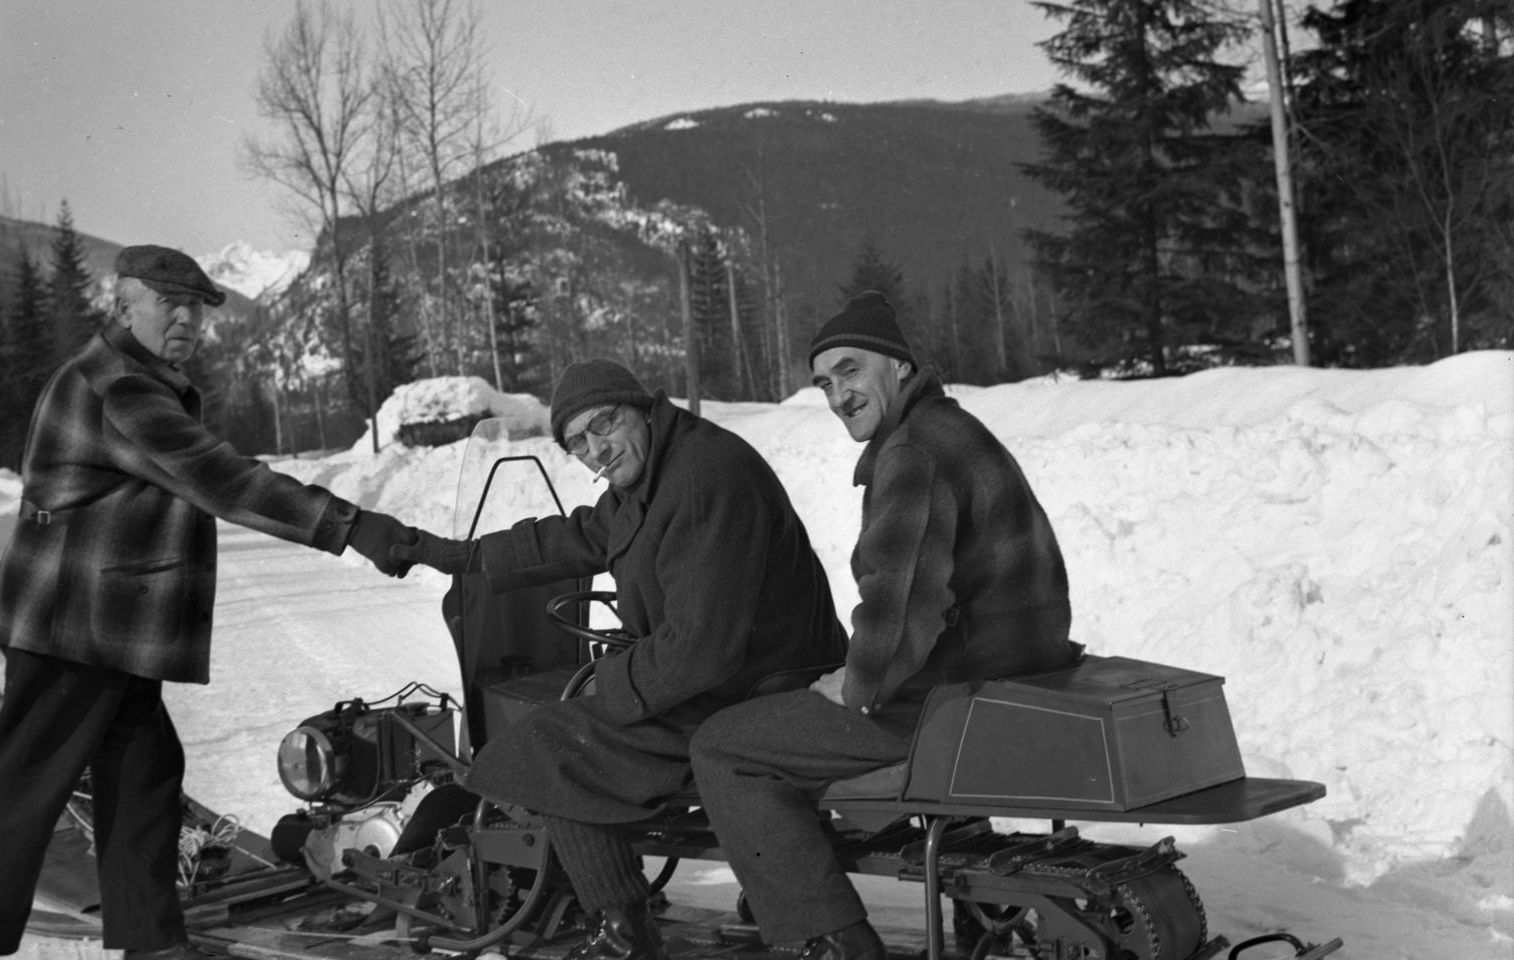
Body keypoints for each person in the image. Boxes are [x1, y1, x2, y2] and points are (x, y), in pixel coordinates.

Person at [0, 245, 415, 960]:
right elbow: (220, 478)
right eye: (171, 305)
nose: (188, 320)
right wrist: (353, 527)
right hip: (73, 623)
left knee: (146, 771)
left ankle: (152, 941)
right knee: (28, 785)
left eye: (196, 308)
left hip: (101, 624)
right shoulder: (119, 388)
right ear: (125, 303)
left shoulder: (131, 376)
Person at [391, 359, 847, 960]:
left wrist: (606, 684)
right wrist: (460, 556)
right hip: (744, 673)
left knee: (553, 743)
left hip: (756, 688)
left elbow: (697, 651)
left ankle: (624, 932)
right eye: (577, 443)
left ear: (641, 407)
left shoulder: (705, 477)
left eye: (603, 425)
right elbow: (583, 534)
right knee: (575, 724)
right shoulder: (655, 473)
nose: (594, 450)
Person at [687, 291, 1078, 960]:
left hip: (961, 690)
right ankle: (967, 890)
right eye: (824, 382)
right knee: (800, 705)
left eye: (851, 370)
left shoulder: (913, 454)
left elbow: (899, 608)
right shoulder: (949, 428)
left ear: (899, 367)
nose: (838, 394)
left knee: (726, 746)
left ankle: (826, 936)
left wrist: (856, 682)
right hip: (1012, 666)